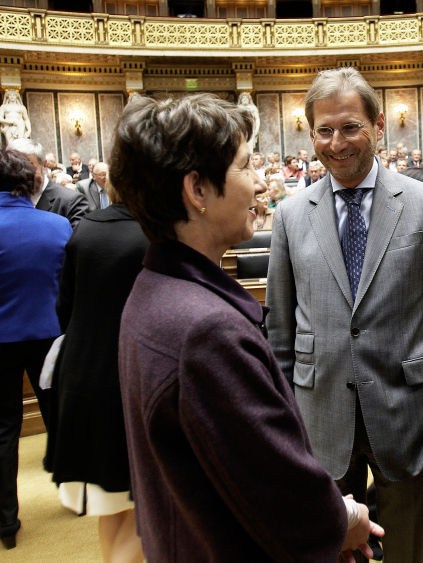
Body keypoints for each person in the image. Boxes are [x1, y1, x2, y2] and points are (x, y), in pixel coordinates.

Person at [112, 94, 380, 561]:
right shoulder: (204, 329)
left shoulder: (156, 288)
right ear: (197, 190)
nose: (260, 183)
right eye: (243, 167)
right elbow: (271, 487)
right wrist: (345, 521)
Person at [266, 67, 423, 563]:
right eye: (325, 130)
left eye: (351, 126)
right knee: (327, 551)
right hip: (320, 416)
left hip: (411, 416)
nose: (338, 142)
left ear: (378, 126)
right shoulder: (290, 216)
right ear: (311, 134)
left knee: (409, 553)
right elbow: (281, 334)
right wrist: (290, 414)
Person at [44, 169, 149, 563]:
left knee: (112, 506)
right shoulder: (151, 236)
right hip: (125, 384)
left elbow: (64, 308)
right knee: (144, 512)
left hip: (82, 377)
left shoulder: (85, 229)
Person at [0, 148, 72, 550]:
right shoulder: (58, 226)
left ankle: (6, 522)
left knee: (3, 428)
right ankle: (73, 493)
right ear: (29, 183)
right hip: (48, 338)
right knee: (58, 415)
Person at [9, 138, 88, 229]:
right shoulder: (6, 199)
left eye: (28, 167)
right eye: (14, 168)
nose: (21, 175)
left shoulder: (71, 202)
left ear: (44, 166)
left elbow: (76, 241)